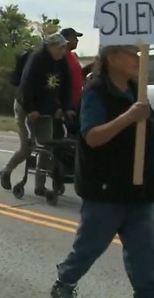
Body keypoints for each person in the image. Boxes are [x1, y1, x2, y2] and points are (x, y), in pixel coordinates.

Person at [50, 45, 154, 298]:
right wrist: (129, 117)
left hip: (138, 189)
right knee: (90, 246)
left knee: (144, 251)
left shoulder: (135, 92)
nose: (138, 59)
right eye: (132, 54)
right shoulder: (97, 91)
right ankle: (65, 281)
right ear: (113, 57)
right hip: (106, 188)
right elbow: (93, 137)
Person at [0, 33, 72, 195]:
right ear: (50, 46)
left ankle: (40, 186)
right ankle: (6, 171)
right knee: (27, 147)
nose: (63, 51)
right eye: (60, 47)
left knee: (47, 146)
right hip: (25, 107)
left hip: (46, 109)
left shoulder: (62, 62)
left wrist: (66, 107)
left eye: (64, 47)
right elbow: (26, 87)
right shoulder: (37, 59)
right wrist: (31, 109)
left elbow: (66, 86)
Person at [61, 28, 84, 109]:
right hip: (67, 105)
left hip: (77, 103)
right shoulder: (60, 57)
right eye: (74, 37)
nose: (77, 40)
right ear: (66, 39)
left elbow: (79, 74)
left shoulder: (73, 55)